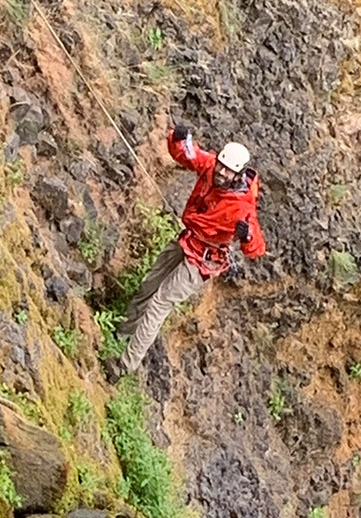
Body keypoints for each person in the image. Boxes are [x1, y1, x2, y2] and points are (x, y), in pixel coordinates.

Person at [111, 123, 266, 378]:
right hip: (188, 240)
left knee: (160, 303)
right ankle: (122, 331)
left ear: (237, 175)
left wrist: (246, 236)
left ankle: (125, 365)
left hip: (204, 260)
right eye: (220, 167)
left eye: (227, 172)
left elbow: (256, 248)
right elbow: (188, 153)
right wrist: (178, 137)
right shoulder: (210, 167)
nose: (221, 174)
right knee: (149, 285)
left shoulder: (242, 207)